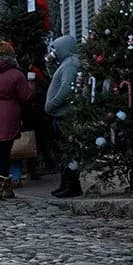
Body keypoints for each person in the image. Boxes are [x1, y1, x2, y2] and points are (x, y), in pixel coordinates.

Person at [0, 37, 33, 200]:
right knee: (4, 153)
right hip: (7, 117)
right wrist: (32, 85)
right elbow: (26, 96)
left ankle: (7, 189)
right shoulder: (16, 75)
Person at [45, 34, 83, 198]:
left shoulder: (70, 65)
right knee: (62, 153)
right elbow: (55, 77)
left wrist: (51, 104)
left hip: (65, 114)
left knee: (68, 152)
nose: (54, 51)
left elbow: (67, 88)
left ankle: (72, 185)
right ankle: (65, 184)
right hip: (60, 115)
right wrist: (50, 63)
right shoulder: (65, 64)